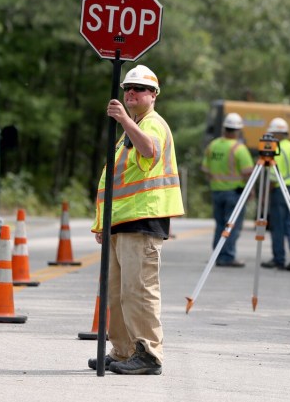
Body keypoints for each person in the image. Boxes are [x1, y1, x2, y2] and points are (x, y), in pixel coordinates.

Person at [89, 64, 184, 375]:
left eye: (139, 88)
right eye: (127, 88)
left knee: (138, 290)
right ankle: (123, 351)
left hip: (144, 221)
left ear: (153, 95)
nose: (131, 92)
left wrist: (124, 119)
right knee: (116, 293)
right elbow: (115, 183)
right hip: (122, 223)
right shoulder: (128, 132)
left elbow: (149, 150)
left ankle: (149, 354)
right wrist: (104, 223)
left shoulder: (152, 124)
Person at [201, 112, 254, 267]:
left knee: (219, 225)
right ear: (238, 131)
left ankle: (217, 255)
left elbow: (206, 169)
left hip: (217, 192)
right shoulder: (239, 148)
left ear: (224, 129)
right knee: (232, 226)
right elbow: (247, 173)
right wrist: (251, 192)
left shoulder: (213, 145)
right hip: (234, 193)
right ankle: (227, 257)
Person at [261, 117, 290, 271]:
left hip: (281, 191)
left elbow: (273, 177)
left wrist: (265, 195)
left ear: (277, 133)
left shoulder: (278, 149)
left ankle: (278, 258)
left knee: (278, 226)